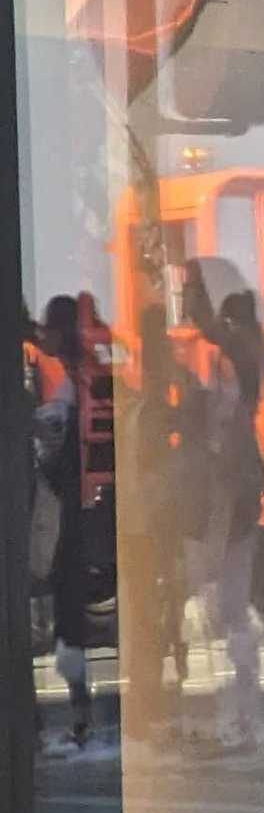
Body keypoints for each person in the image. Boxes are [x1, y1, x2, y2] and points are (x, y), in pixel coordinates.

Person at [187, 281, 264, 752]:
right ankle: (243, 703)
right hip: (242, 492)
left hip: (228, 493)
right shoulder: (251, 360)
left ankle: (235, 707)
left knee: (218, 596)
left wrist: (194, 282)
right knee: (232, 597)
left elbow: (207, 326)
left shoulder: (235, 368)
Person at [25, 297, 96, 747]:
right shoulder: (83, 374)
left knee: (67, 616)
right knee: (69, 618)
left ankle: (77, 719)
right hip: (75, 517)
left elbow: (56, 454)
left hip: (63, 517)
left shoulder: (69, 385)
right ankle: (78, 715)